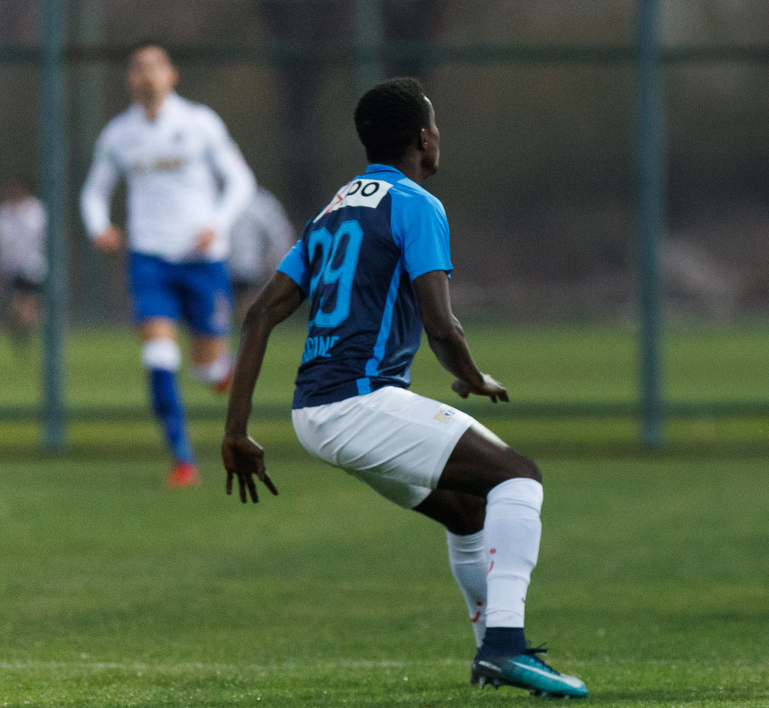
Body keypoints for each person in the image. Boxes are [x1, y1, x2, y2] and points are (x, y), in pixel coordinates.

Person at [220, 77, 587, 699]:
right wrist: (471, 377)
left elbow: (259, 315)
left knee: (468, 512)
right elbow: (440, 322)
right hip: (359, 402)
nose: (438, 136)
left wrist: (235, 431)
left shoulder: (334, 208)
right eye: (435, 125)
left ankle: (493, 652)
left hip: (314, 413)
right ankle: (503, 646)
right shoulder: (416, 204)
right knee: (518, 478)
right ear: (423, 137)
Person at [81, 43, 257, 488]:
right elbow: (94, 192)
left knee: (206, 368)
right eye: (137, 69)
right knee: (158, 355)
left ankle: (221, 372)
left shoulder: (200, 123)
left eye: (154, 67)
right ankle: (183, 461)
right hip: (149, 258)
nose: (147, 76)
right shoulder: (119, 134)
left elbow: (240, 181)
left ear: (172, 75)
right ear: (129, 81)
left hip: (202, 260)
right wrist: (99, 226)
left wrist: (216, 225)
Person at [228, 186, 297, 318]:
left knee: (246, 302)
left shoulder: (260, 202)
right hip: (230, 264)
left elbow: (278, 235)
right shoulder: (259, 202)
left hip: (250, 266)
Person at [0, 180, 46, 358]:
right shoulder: (5, 214)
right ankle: (25, 334)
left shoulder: (36, 211)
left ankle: (37, 340)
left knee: (29, 305)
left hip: (33, 267)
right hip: (13, 268)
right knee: (16, 310)